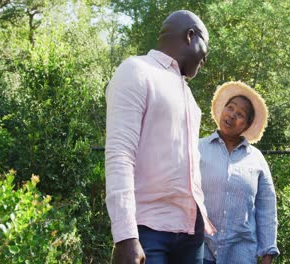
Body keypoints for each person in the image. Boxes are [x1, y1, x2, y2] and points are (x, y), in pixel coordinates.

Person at [105, 10, 215, 264]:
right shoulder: (137, 70)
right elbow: (120, 154)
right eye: (205, 50)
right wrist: (125, 236)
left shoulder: (188, 95)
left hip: (191, 235)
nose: (205, 60)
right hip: (148, 232)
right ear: (190, 36)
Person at [199, 81, 280, 264]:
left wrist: (268, 254)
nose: (232, 115)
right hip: (200, 251)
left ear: (247, 125)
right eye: (230, 108)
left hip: (241, 255)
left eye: (240, 114)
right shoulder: (197, 149)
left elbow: (266, 209)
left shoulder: (256, 159)